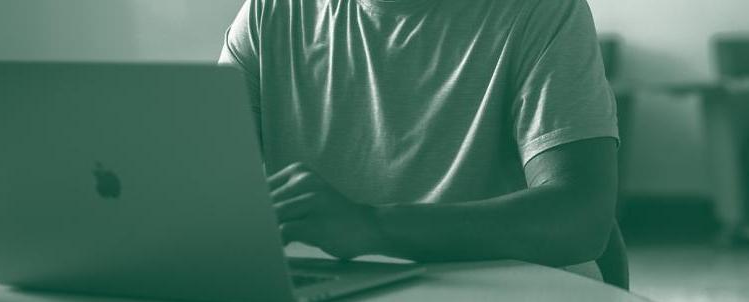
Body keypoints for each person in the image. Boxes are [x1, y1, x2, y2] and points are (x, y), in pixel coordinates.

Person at [217, 0, 623, 284]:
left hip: (506, 297)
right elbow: (205, 189)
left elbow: (581, 217)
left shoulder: (541, 10)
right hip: (332, 295)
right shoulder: (268, 12)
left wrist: (372, 226)